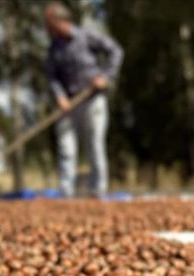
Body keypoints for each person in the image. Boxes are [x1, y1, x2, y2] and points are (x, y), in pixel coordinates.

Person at [45, 2, 123, 198]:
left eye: (49, 23)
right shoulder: (54, 48)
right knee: (66, 148)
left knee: (95, 145)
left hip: (91, 98)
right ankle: (66, 191)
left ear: (61, 21)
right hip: (68, 103)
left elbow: (116, 51)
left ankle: (97, 190)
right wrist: (60, 96)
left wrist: (106, 77)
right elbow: (52, 77)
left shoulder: (86, 37)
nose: (47, 28)